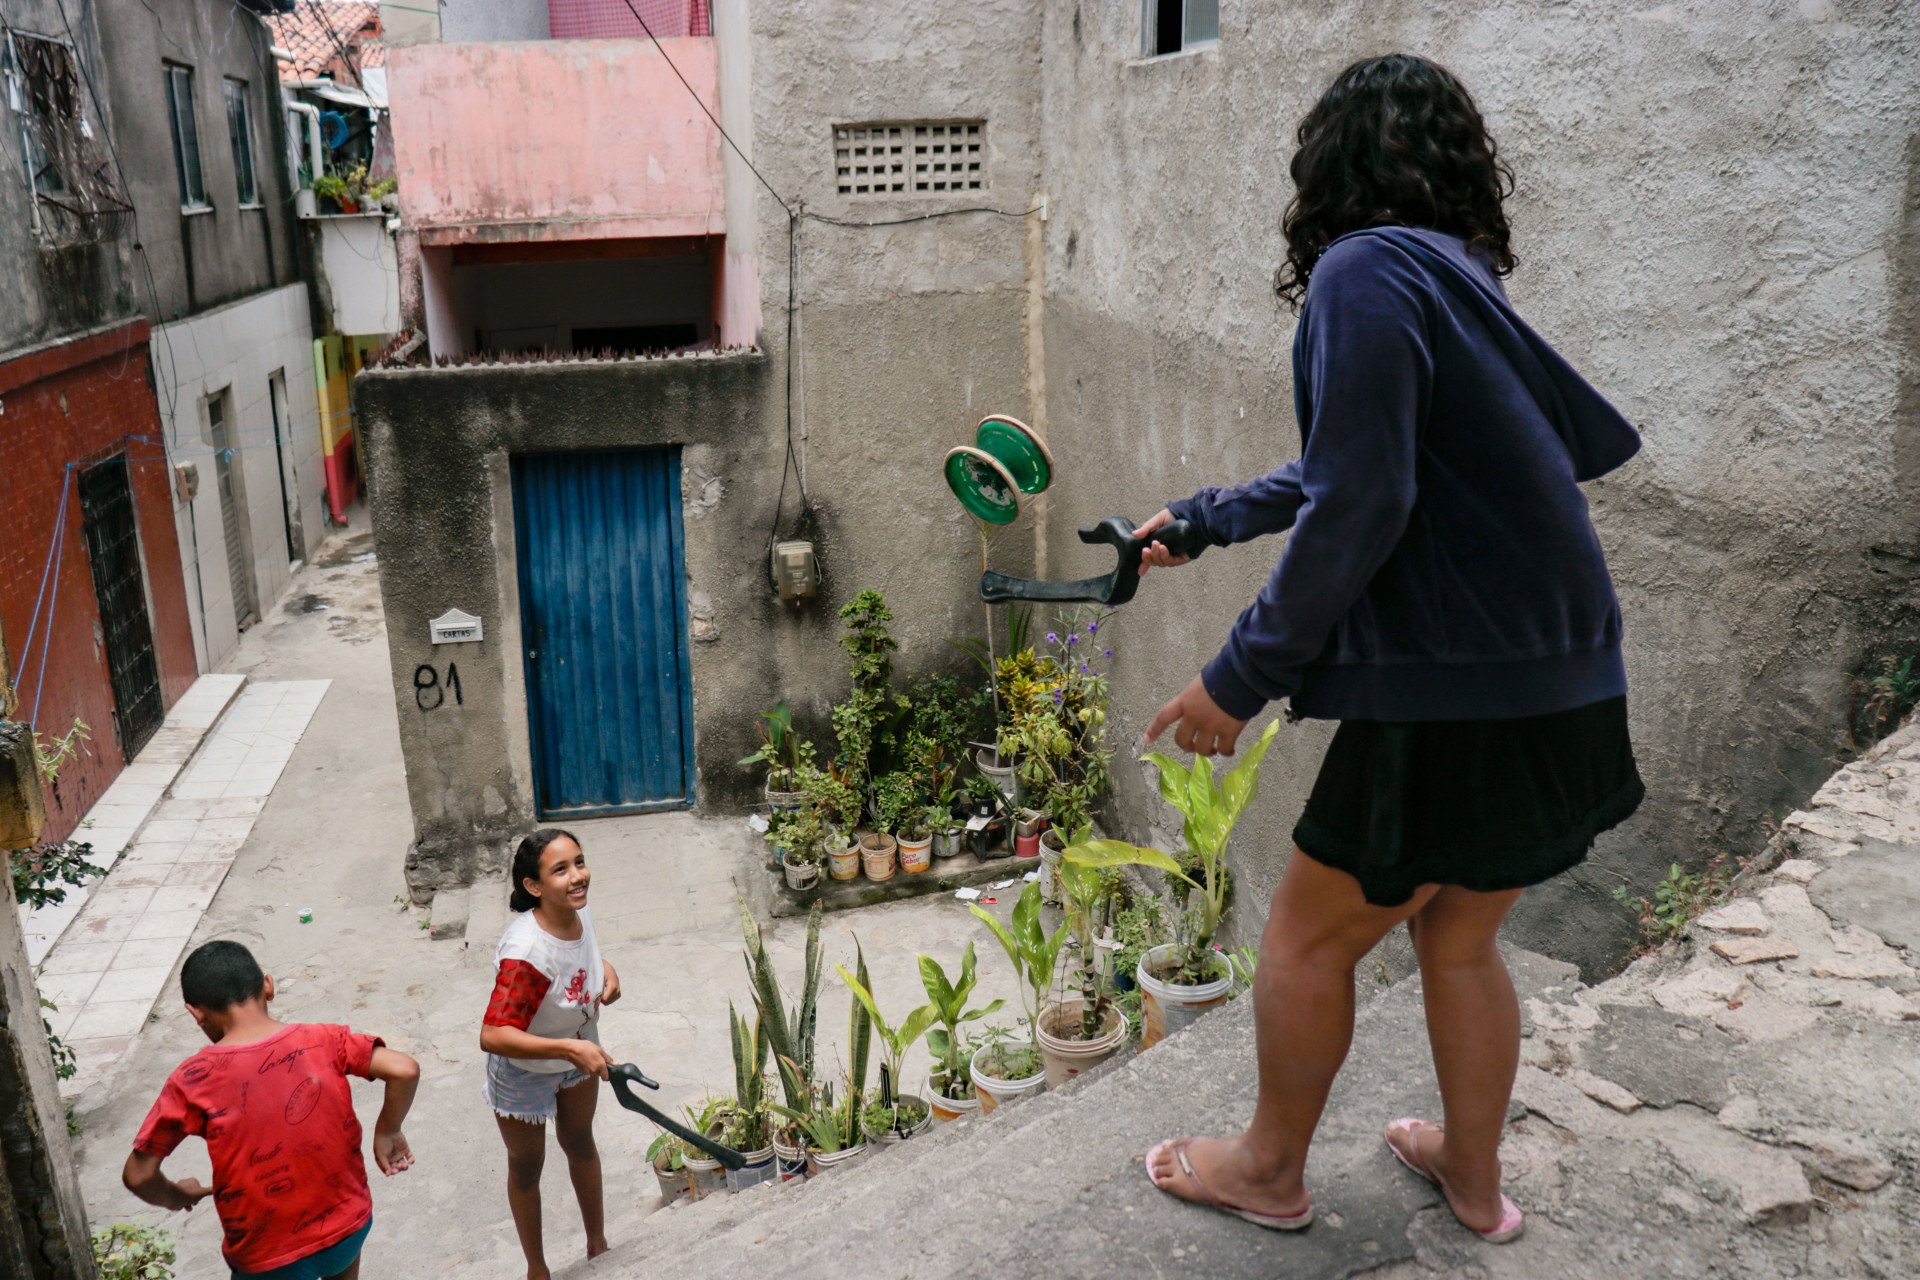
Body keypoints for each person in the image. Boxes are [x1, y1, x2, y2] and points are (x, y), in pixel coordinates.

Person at [1133, 53, 1645, 1245]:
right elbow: (1354, 467)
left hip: (1456, 687)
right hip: (1560, 671)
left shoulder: (1364, 271)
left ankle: (1267, 1168)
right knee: (1460, 933)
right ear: (1465, 166)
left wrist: (1238, 676)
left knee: (1306, 937)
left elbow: (1363, 500)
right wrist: (1209, 516)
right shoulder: (1455, 276)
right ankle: (1473, 1181)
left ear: (1326, 166)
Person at [123, 940, 419, 1280]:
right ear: (268, 985)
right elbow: (404, 1069)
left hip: (266, 1258)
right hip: (347, 1230)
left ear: (196, 1013)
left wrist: (175, 1195)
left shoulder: (192, 1080)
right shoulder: (324, 1039)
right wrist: (388, 1129)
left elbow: (139, 1175)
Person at [481, 828, 623, 1280]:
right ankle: (537, 1269)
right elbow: (493, 1034)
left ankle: (598, 1244)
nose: (577, 876)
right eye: (560, 870)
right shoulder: (527, 953)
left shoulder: (575, 911)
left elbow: (584, 956)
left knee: (580, 1142)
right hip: (525, 1071)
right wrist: (568, 1048)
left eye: (579, 862)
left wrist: (607, 970)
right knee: (527, 1165)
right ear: (533, 887)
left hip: (577, 1057)